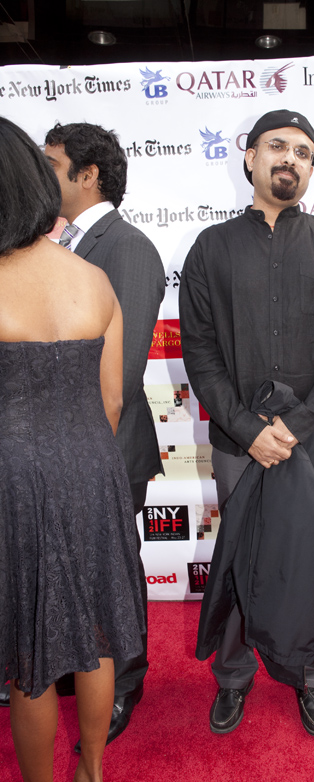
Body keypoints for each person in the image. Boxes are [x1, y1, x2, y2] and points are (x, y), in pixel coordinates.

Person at [179, 109, 314, 737]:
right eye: (277, 146)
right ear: (250, 157)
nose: (291, 158)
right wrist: (248, 429)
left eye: (304, 152)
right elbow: (200, 351)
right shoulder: (211, 248)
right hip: (241, 443)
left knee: (308, 558)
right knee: (240, 557)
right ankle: (233, 676)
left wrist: (294, 424)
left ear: (311, 169)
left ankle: (310, 676)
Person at [0, 116, 145, 782]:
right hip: (92, 467)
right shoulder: (93, 280)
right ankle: (92, 776)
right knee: (96, 632)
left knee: (29, 660)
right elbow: (111, 400)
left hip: (14, 479)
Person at [40, 122, 165, 748]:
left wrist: (79, 453)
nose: (41, 175)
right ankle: (75, 666)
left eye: (51, 164)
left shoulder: (128, 249)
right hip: (60, 446)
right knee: (69, 568)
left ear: (87, 175)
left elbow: (124, 370)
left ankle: (125, 681)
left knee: (111, 571)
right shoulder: (60, 243)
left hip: (106, 448)